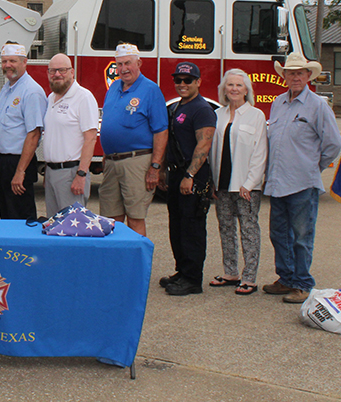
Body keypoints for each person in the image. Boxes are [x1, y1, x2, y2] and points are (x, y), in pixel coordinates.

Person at [263, 52, 341, 304]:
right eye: (290, 73)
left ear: (308, 76)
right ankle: (285, 277)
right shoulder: (278, 102)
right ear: (283, 76)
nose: (295, 77)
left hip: (302, 183)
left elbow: (333, 144)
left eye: (300, 73)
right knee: (279, 234)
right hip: (277, 182)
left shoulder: (318, 105)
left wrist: (312, 167)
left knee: (301, 236)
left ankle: (303, 283)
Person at [208, 69, 267, 296]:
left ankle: (250, 277)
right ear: (223, 89)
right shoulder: (218, 114)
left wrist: (250, 183)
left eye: (238, 86)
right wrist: (213, 182)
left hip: (245, 187)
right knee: (226, 228)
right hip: (222, 184)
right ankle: (230, 272)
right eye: (229, 85)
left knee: (249, 230)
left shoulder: (256, 115)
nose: (233, 89)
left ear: (247, 90)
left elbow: (260, 152)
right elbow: (213, 150)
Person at [98, 43, 168, 237]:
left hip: (137, 162)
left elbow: (161, 131)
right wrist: (106, 153)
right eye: (119, 64)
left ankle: (135, 265)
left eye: (127, 63)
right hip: (112, 162)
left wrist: (155, 167)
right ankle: (115, 265)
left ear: (139, 63)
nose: (123, 69)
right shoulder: (113, 87)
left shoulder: (150, 90)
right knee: (111, 220)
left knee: (135, 218)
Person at [159, 62, 216, 296]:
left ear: (198, 82)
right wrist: (163, 170)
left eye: (188, 80)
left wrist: (189, 175)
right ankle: (182, 271)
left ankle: (193, 279)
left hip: (193, 175)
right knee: (177, 226)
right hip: (175, 173)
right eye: (178, 80)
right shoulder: (177, 107)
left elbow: (204, 145)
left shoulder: (201, 109)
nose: (182, 84)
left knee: (192, 228)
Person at [0, 42, 47, 221]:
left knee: (21, 218)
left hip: (18, 162)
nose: (7, 65)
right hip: (2, 161)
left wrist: (20, 171)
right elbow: (1, 129)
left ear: (24, 62)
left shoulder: (31, 91)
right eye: (4, 61)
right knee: (6, 216)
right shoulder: (7, 88)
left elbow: (34, 134)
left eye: (13, 61)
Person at [42, 53, 99, 217]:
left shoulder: (84, 97)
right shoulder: (50, 98)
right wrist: (48, 172)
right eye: (53, 71)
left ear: (72, 72)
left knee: (72, 228)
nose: (57, 74)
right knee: (54, 227)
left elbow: (90, 138)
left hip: (71, 173)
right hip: (52, 172)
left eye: (62, 70)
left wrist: (81, 174)